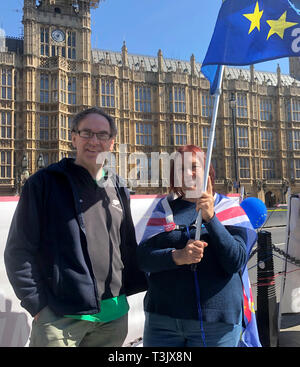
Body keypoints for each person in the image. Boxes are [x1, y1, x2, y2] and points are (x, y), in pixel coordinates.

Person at [4, 107, 147, 347]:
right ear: (73, 138)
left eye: (102, 135)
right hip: (61, 318)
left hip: (113, 317)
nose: (94, 141)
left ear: (111, 142)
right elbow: (18, 251)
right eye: (86, 133)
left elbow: (127, 246)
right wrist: (37, 305)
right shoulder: (44, 183)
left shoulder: (119, 187)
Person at [137, 145, 257, 347]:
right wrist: (177, 256)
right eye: (181, 168)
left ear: (207, 171)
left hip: (215, 324)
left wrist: (211, 218)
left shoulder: (227, 208)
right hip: (162, 322)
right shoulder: (164, 209)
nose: (188, 173)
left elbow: (235, 261)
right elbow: (143, 259)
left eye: (194, 166)